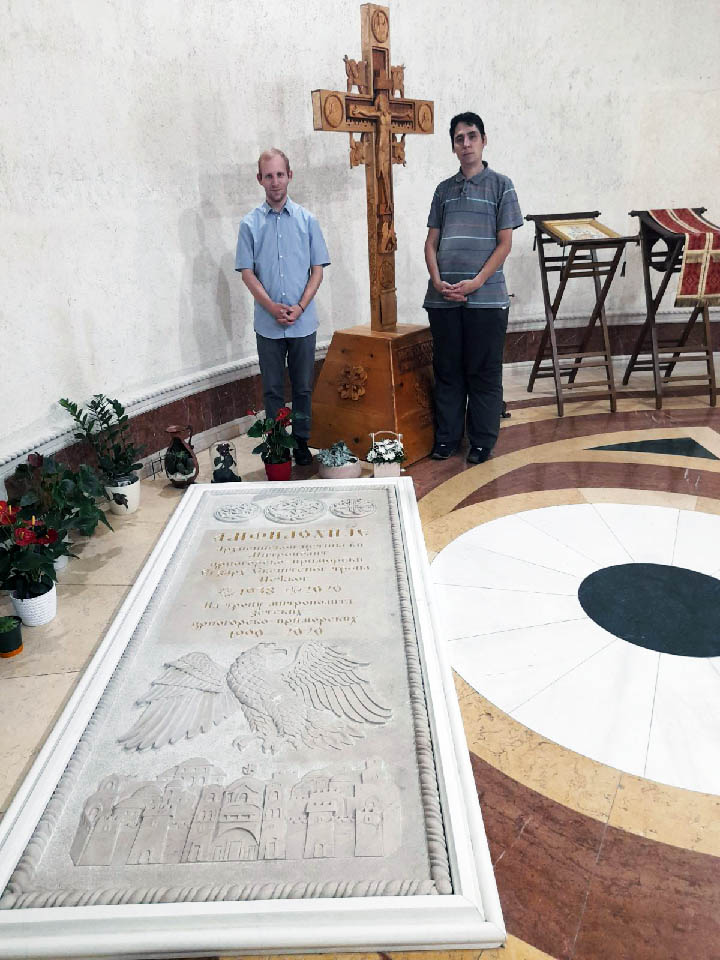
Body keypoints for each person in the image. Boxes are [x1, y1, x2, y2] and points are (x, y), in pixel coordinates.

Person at [423, 112, 523, 464]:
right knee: (448, 372)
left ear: (483, 140)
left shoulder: (502, 186)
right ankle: (447, 438)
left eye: (472, 136)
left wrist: (477, 282)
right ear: (453, 146)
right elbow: (431, 242)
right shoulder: (443, 190)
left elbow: (505, 243)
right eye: (459, 138)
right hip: (443, 300)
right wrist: (437, 280)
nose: (466, 144)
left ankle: (481, 441)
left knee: (483, 373)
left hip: (486, 300)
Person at [236, 148, 330, 466]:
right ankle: (278, 443)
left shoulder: (307, 221)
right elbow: (247, 273)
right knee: (273, 390)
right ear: (259, 179)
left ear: (290, 176)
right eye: (268, 176)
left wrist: (300, 307)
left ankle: (301, 441)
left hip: (303, 322)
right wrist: (271, 307)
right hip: (268, 324)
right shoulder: (249, 224)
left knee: (303, 388)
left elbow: (317, 269)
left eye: (280, 174)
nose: (275, 181)